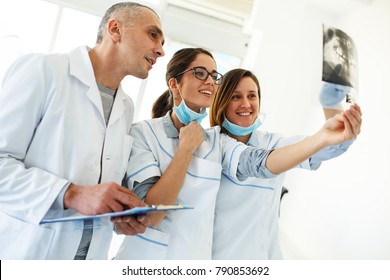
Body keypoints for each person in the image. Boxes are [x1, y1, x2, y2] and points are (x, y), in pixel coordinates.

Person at [114, 48, 360, 260]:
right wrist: (186, 148)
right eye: (200, 73)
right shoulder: (144, 133)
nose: (209, 81)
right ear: (174, 84)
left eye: (213, 75)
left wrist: (327, 124)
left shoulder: (215, 142)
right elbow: (149, 213)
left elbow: (258, 162)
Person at [0, 2, 165, 260]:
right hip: (29, 252)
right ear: (115, 29)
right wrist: (70, 194)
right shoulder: (43, 72)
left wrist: (119, 216)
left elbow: (96, 188)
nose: (161, 50)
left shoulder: (126, 106)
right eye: (152, 34)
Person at [209, 68, 362, 259]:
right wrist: (321, 138)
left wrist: (332, 106)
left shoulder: (273, 142)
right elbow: (257, 163)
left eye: (252, 96)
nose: (246, 104)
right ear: (221, 102)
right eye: (236, 97)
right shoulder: (214, 146)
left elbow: (328, 148)